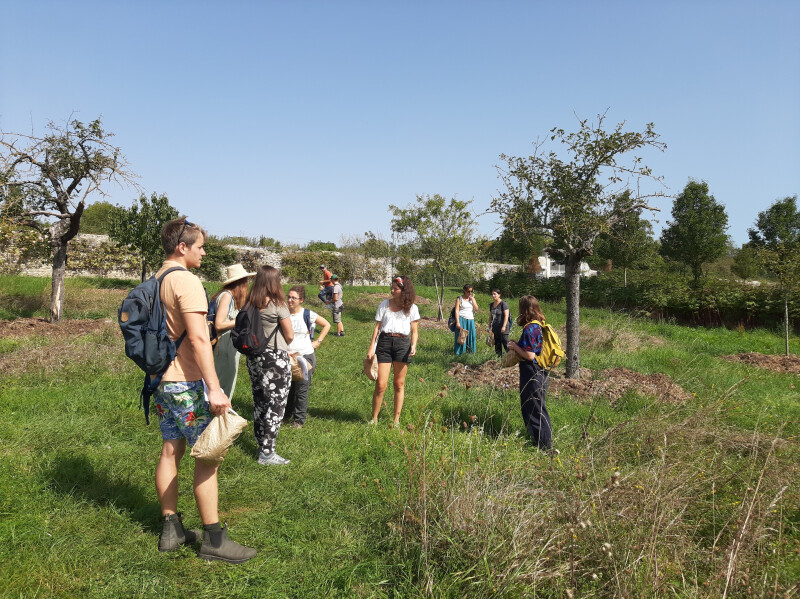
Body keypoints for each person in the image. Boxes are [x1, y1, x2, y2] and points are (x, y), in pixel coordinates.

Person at [153, 217, 256, 563]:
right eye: (200, 246)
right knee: (208, 457)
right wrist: (214, 388)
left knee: (171, 450)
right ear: (183, 247)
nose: (204, 252)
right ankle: (214, 539)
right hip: (188, 380)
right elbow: (198, 338)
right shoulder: (187, 281)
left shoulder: (157, 278)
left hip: (162, 381)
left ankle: (171, 529)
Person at [244, 265, 295, 465]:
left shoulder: (250, 303)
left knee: (260, 400)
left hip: (254, 356)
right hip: (274, 358)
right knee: (276, 404)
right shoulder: (278, 304)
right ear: (274, 282)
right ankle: (267, 452)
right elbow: (289, 335)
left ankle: (260, 443)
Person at [367, 276, 420, 427]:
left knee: (399, 383)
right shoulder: (384, 304)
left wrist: (414, 345)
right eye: (392, 288)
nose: (392, 291)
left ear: (404, 291)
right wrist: (372, 347)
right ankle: (374, 419)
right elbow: (377, 327)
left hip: (403, 344)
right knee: (381, 384)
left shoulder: (412, 308)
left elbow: (414, 331)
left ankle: (396, 420)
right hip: (384, 343)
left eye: (395, 289)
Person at [507, 295, 552, 450]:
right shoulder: (538, 324)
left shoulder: (530, 328)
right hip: (539, 372)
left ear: (524, 309)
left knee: (535, 409)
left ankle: (544, 446)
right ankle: (535, 440)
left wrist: (514, 347)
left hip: (532, 372)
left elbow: (530, 355)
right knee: (533, 406)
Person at [284, 285, 331, 428]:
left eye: (294, 298)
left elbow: (327, 325)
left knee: (302, 388)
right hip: (287, 356)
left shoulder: (307, 314)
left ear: (301, 300)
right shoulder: (283, 314)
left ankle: (298, 420)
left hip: (305, 356)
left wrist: (318, 341)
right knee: (288, 388)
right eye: (289, 297)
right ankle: (286, 415)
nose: (290, 300)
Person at [211, 264, 254, 399]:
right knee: (224, 382)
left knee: (227, 381)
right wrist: (241, 321)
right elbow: (219, 324)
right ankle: (220, 415)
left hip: (230, 343)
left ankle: (222, 414)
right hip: (224, 344)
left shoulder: (231, 297)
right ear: (240, 283)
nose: (247, 284)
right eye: (245, 280)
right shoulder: (227, 296)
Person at [453, 283, 479, 355]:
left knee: (472, 336)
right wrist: (458, 322)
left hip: (470, 319)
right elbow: (456, 311)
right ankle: (459, 353)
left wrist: (473, 300)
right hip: (462, 319)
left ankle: (470, 352)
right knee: (461, 336)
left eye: (471, 291)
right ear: (464, 291)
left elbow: (476, 309)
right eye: (468, 291)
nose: (470, 293)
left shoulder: (472, 299)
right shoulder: (459, 299)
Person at [489, 288, 511, 357]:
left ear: (499, 295)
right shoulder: (491, 305)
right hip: (495, 327)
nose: (493, 296)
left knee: (505, 342)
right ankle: (499, 358)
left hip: (503, 327)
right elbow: (490, 316)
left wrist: (504, 326)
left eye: (495, 294)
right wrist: (489, 326)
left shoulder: (503, 304)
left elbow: (506, 315)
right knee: (497, 343)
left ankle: (511, 357)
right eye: (492, 294)